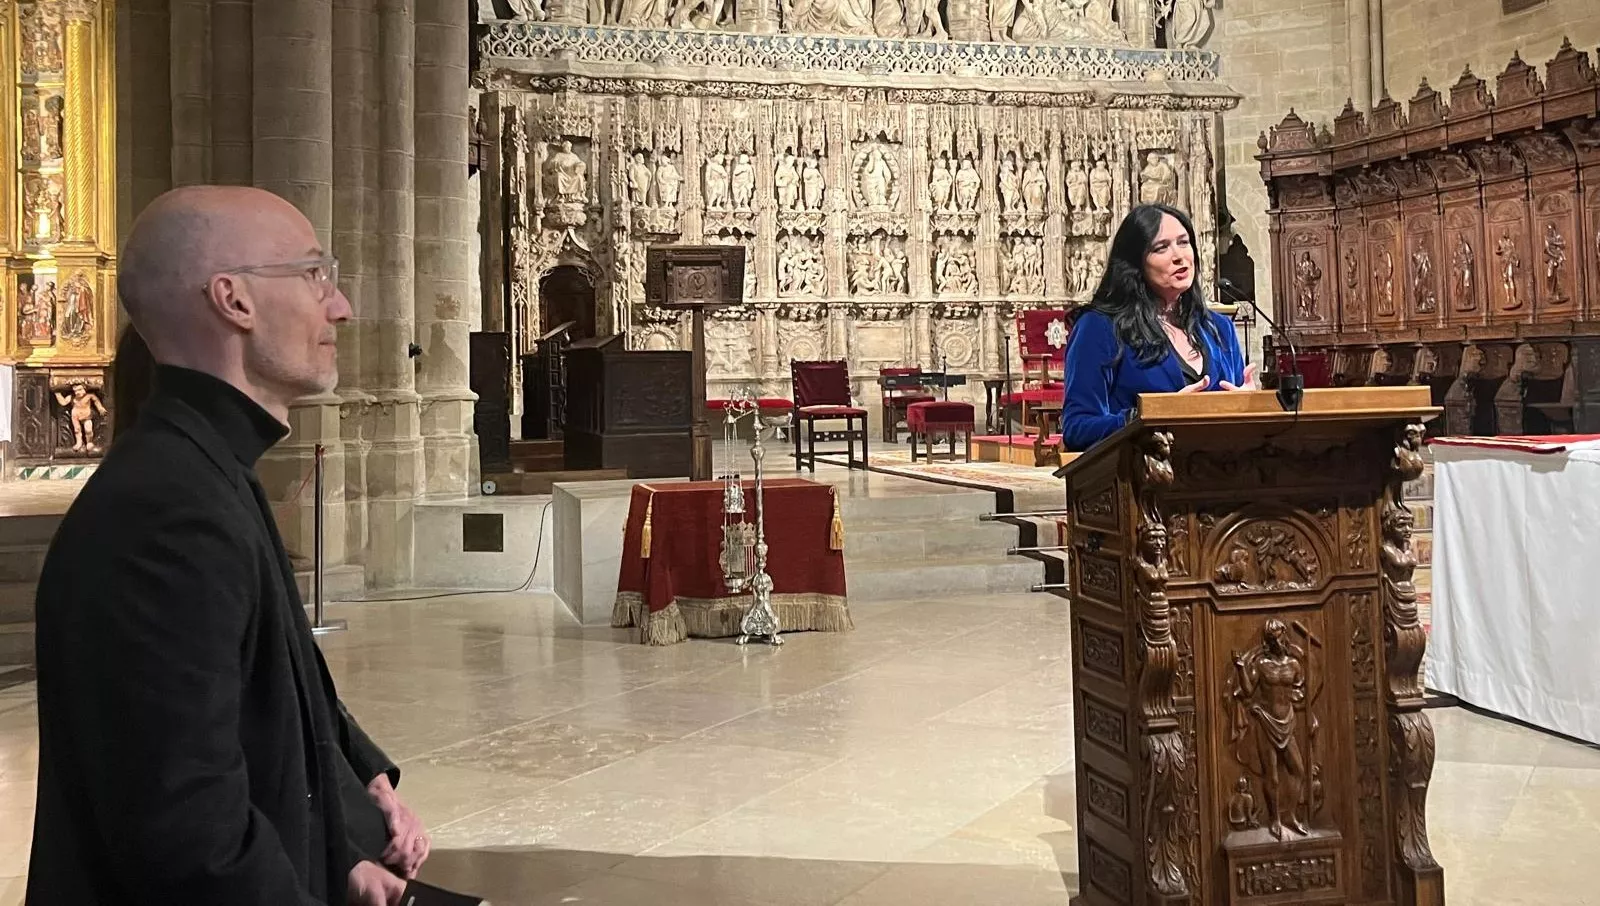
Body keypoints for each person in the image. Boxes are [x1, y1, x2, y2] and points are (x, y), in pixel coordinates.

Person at [28, 185, 429, 906]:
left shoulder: (207, 469)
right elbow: (189, 838)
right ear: (233, 301)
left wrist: (340, 849)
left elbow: (272, 702)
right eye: (314, 275)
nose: (338, 305)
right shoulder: (167, 514)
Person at [1060, 203, 1258, 451]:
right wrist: (1154, 416)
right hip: (1141, 479)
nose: (1179, 256)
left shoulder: (1218, 328)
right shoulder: (1100, 328)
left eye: (1184, 242)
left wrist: (1251, 406)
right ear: (1135, 263)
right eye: (1161, 247)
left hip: (1221, 474)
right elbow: (1077, 428)